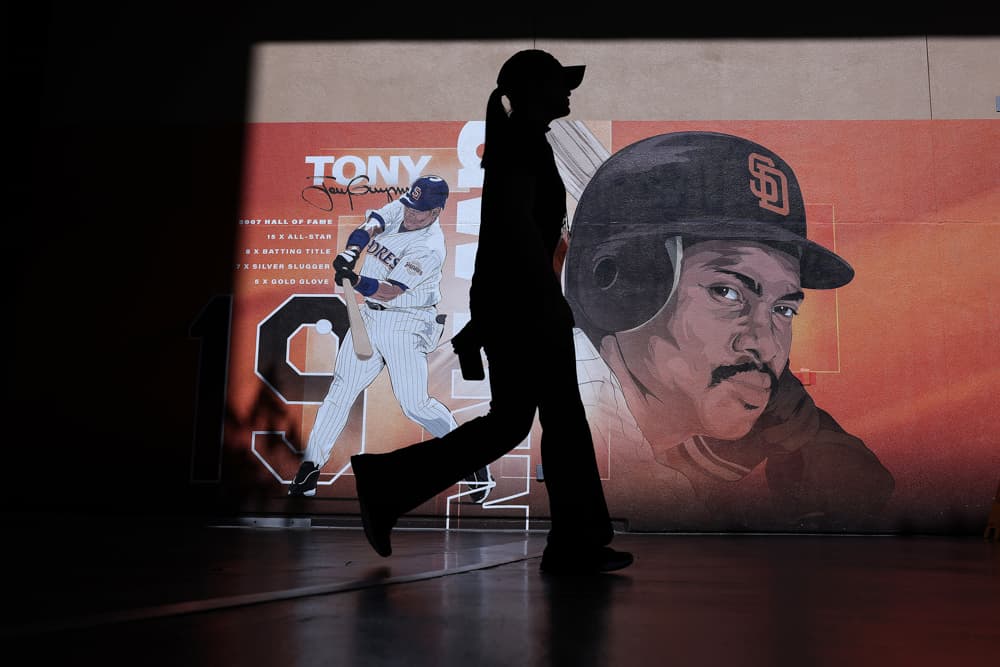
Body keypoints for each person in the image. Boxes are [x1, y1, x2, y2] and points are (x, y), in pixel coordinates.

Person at [350, 49, 634, 574]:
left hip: (516, 304)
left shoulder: (520, 144)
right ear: (532, 91)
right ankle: (576, 540)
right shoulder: (521, 146)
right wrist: (537, 305)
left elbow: (513, 239)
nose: (568, 92)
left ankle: (385, 486)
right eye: (558, 84)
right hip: (525, 306)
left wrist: (491, 317)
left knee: (511, 423)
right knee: (560, 421)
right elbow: (517, 236)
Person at [566, 131, 895, 531]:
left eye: (783, 308)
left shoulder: (756, 386)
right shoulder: (564, 399)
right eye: (728, 292)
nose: (765, 342)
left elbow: (859, 479)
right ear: (619, 289)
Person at [288, 174, 494, 503]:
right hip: (369, 317)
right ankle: (310, 467)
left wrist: (353, 278)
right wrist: (351, 252)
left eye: (420, 211)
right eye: (411, 206)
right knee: (340, 391)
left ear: (437, 211)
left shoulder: (429, 248)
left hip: (407, 322)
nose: (411, 214)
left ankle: (470, 459)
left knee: (415, 404)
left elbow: (389, 291)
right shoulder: (406, 205)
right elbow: (371, 225)